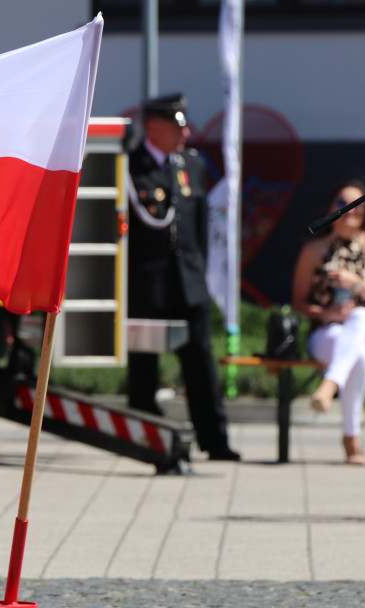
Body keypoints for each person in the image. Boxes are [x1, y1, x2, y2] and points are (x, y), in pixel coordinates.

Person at [126, 93, 241, 461]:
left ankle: (215, 440)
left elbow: (199, 230)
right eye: (178, 125)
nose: (186, 132)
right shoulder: (130, 167)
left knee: (201, 364)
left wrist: (199, 273)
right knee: (144, 367)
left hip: (188, 283)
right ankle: (145, 439)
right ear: (154, 125)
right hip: (147, 285)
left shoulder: (192, 164)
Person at [292, 177, 365, 466]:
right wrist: (325, 314)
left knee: (363, 316)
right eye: (343, 203)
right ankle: (351, 439)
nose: (350, 210)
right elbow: (299, 302)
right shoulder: (314, 250)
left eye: (357, 204)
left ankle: (330, 386)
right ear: (332, 207)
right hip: (328, 334)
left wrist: (357, 284)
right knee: (362, 355)